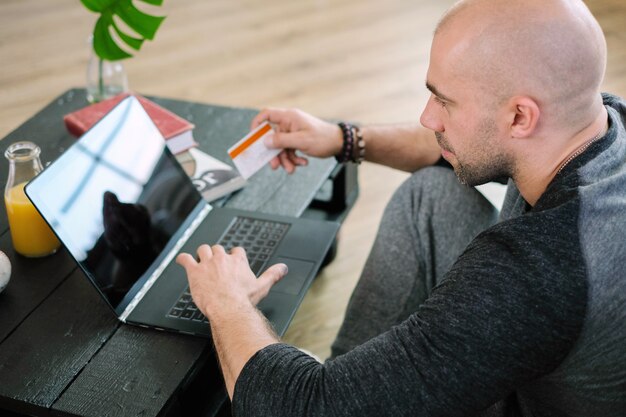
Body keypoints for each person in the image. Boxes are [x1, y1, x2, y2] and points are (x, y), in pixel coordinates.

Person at [176, 0, 626, 415]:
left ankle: (346, 391)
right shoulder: (599, 120)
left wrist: (227, 302)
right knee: (432, 194)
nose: (429, 118)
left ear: (519, 117)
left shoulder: (533, 273)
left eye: (444, 101)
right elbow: (453, 149)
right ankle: (352, 378)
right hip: (547, 351)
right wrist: (342, 139)